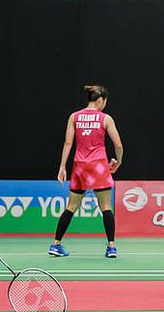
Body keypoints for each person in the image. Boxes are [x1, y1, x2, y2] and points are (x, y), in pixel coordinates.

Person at [51, 85, 123, 258]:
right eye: (105, 101)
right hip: (99, 165)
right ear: (100, 100)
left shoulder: (74, 117)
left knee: (71, 207)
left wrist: (62, 166)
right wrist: (118, 162)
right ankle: (111, 247)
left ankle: (56, 244)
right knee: (106, 207)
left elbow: (68, 143)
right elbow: (118, 145)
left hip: (80, 166)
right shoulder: (105, 118)